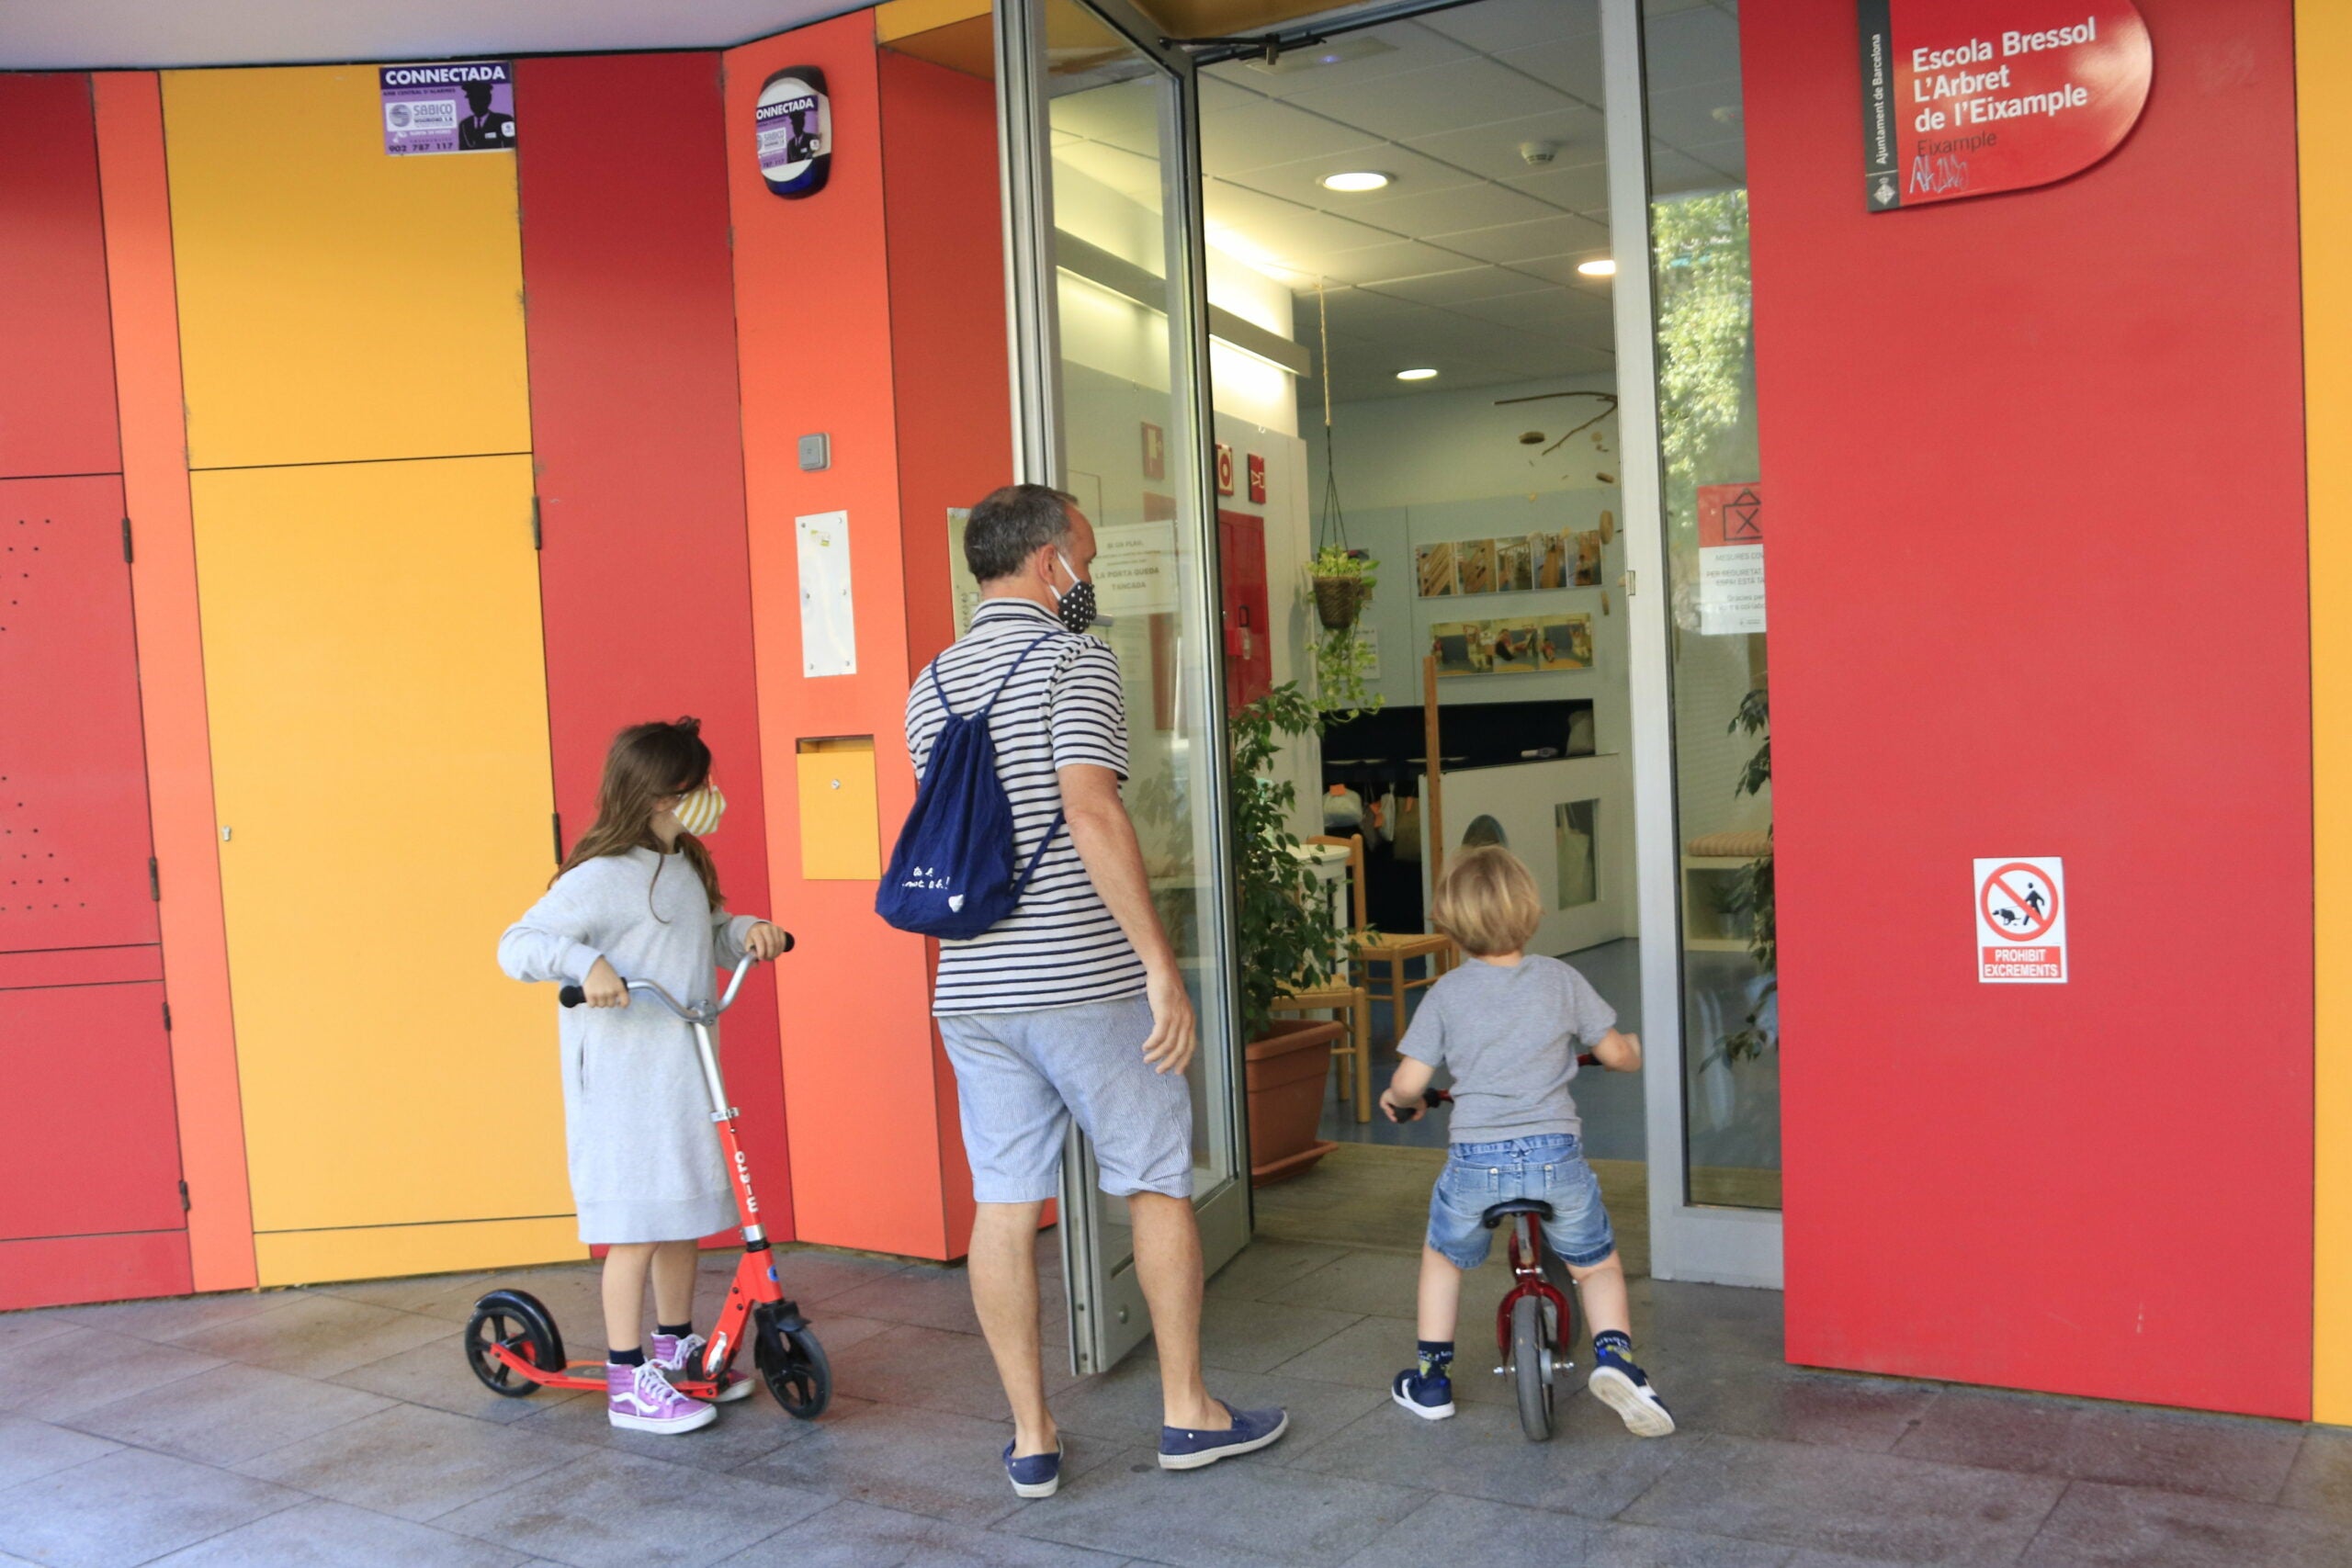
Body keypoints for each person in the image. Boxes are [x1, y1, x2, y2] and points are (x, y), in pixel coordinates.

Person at [909, 483, 1286, 1497]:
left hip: (972, 986)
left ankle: (1031, 1437)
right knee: (1157, 1179)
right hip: (1080, 979)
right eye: (1087, 558)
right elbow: (1091, 812)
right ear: (1047, 564)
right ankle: (1186, 1412)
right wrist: (1162, 966)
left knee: (1001, 1201)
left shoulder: (932, 683)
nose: (1092, 579)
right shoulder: (1076, 660)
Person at [498, 717, 788, 1434]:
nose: (712, 796)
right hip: (625, 1087)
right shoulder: (599, 877)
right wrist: (585, 964)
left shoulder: (683, 864)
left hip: (685, 1072)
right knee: (636, 1226)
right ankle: (629, 1379)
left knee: (681, 1212)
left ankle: (675, 1345)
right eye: (700, 785)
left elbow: (707, 928)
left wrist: (745, 930)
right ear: (659, 794)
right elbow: (519, 943)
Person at [1378, 844, 1674, 1438]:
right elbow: (1617, 1055)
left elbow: (1411, 1082)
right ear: (1532, 910)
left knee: (1443, 1258)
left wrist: (1400, 1101)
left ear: (1451, 920)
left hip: (1475, 1162)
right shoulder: (1561, 978)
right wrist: (1632, 1050)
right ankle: (1619, 1360)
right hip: (1554, 1155)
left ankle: (1432, 1379)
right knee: (1596, 1264)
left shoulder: (1446, 992)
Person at [456, 80, 515, 150]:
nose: (474, 103)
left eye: (479, 99)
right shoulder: (464, 125)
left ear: (488, 99)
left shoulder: (504, 120)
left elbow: (510, 147)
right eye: (471, 99)